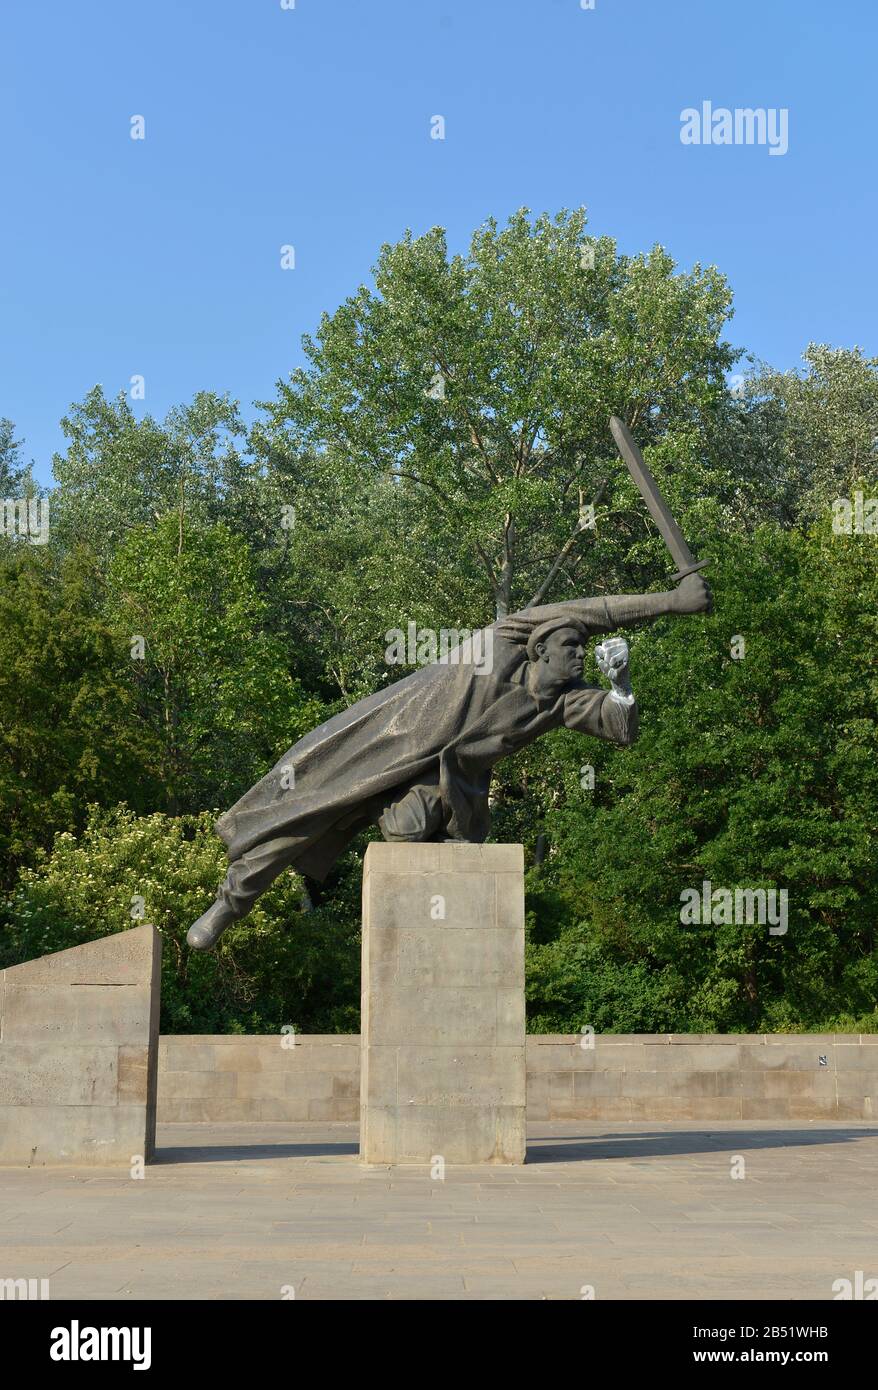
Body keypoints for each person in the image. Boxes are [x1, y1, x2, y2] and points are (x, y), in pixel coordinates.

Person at [187, 572, 711, 950]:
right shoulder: (505, 641)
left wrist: (621, 683)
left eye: (582, 651)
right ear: (542, 649)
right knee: (304, 807)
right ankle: (230, 905)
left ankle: (394, 811)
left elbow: (621, 725)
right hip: (390, 737)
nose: (580, 655)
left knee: (410, 831)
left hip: (441, 784)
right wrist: (672, 600)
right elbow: (599, 609)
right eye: (571, 646)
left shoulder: (561, 702)